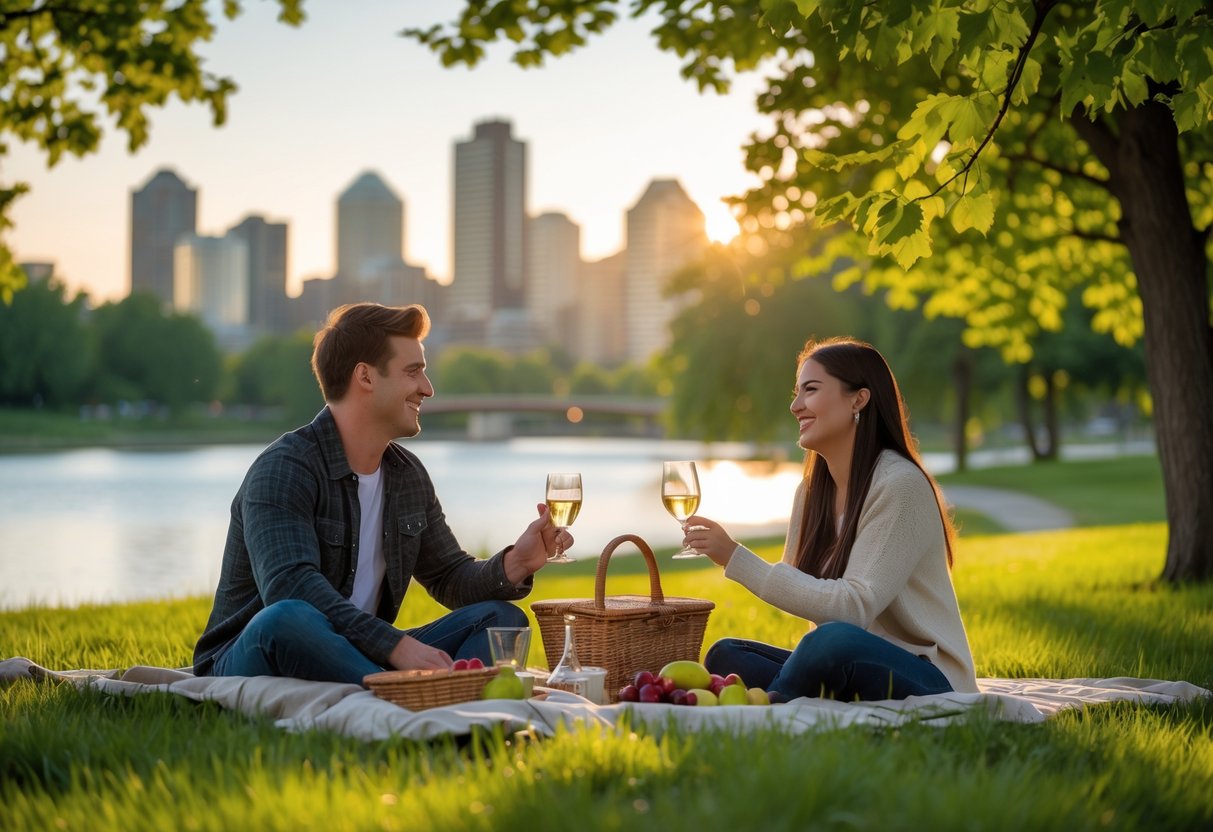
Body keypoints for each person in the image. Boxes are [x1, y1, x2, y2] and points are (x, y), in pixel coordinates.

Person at [193, 302, 569, 685]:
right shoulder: (284, 469)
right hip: (249, 656)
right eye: (413, 372)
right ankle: (406, 695)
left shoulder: (407, 476)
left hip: (359, 654)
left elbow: (450, 576)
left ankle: (428, 693)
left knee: (500, 620)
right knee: (289, 616)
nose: (428, 388)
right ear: (366, 377)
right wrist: (395, 646)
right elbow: (290, 587)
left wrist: (516, 563)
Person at [682, 337, 978, 701]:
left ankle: (771, 707)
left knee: (832, 639)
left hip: (928, 675)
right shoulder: (810, 494)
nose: (795, 406)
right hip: (851, 662)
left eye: (811, 390)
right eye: (796, 393)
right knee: (727, 655)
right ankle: (781, 696)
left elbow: (852, 610)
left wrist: (735, 558)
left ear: (859, 399)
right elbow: (804, 590)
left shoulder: (899, 485)